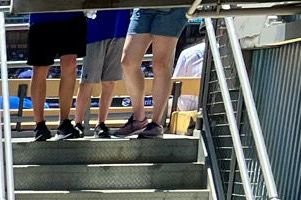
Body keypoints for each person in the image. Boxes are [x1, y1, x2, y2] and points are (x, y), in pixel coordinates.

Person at [117, 9, 189, 138]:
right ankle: (138, 119)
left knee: (161, 64)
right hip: (145, 6)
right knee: (128, 61)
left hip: (172, 8)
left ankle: (156, 123)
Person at [27, 12, 86, 141]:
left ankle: (64, 122)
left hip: (71, 13)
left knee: (70, 63)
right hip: (41, 14)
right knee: (40, 68)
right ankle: (39, 125)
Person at [71, 10, 130, 139]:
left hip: (119, 29)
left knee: (109, 81)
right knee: (88, 81)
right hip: (95, 31)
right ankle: (78, 123)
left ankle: (101, 123)